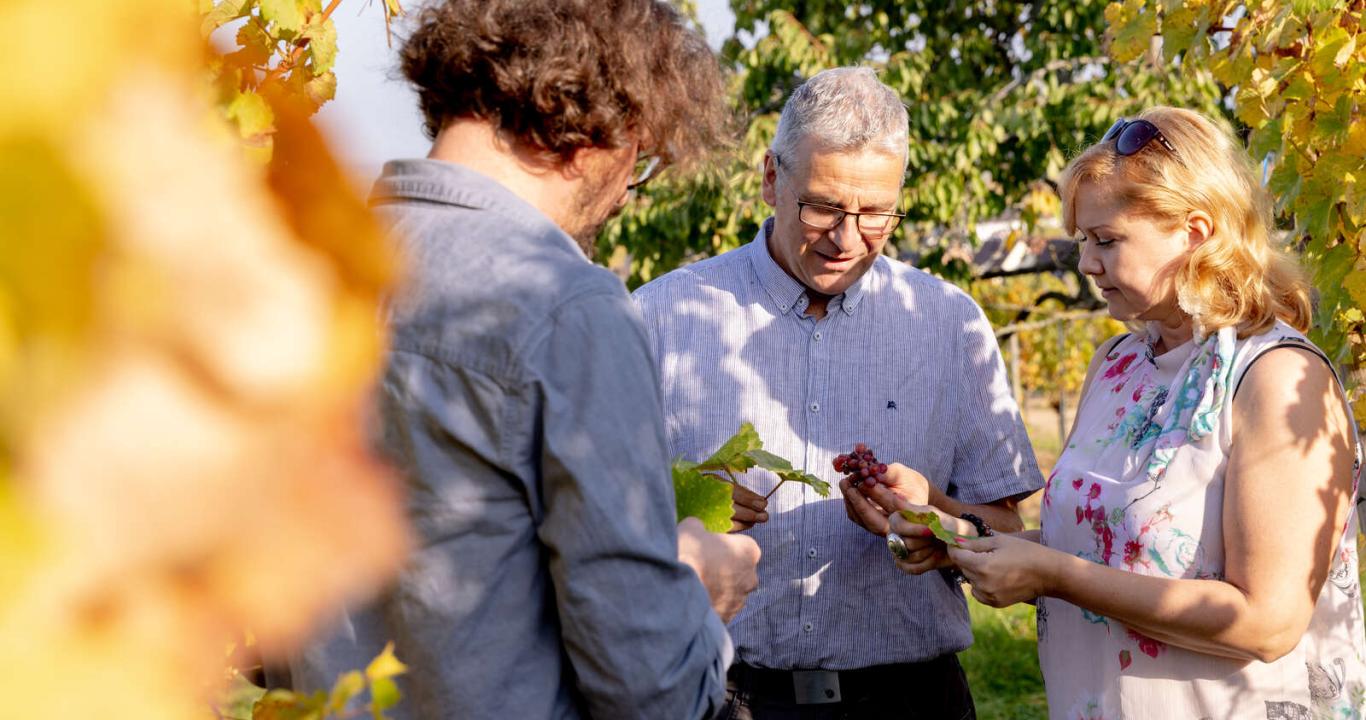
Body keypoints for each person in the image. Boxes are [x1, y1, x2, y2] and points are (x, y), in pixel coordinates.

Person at [286, 2, 762, 718]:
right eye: (644, 158)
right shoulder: (567, 307)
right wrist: (700, 585)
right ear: (600, 129)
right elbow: (652, 690)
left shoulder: (303, 271)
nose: (628, 191)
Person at [860, 106, 1366, 718]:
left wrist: (1053, 575)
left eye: (1107, 240)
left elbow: (1267, 622)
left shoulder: (1279, 377)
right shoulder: (1119, 363)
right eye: (1083, 241)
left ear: (1196, 232)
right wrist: (955, 532)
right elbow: (1102, 545)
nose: (1086, 264)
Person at [632, 66, 1043, 719]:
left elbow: (1006, 534)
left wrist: (935, 516)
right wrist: (686, 511)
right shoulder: (660, 318)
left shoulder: (949, 323)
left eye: (876, 213)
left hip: (913, 702)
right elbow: (593, 528)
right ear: (771, 178)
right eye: (823, 206)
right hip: (723, 698)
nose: (847, 239)